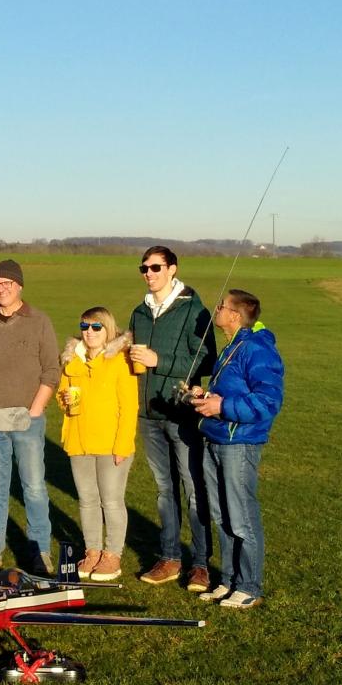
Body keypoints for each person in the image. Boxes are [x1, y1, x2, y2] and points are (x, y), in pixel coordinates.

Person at [0, 259, 60, 573]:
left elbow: (52, 371)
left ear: (19, 287)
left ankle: (40, 549)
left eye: (7, 284)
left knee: (33, 486)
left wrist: (36, 409)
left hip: (26, 417)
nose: (1, 289)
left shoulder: (39, 321)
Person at [128, 246, 216, 591]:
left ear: (172, 269)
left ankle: (200, 564)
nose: (149, 274)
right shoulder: (139, 312)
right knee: (165, 491)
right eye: (144, 268)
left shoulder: (194, 310)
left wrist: (158, 360)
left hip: (181, 415)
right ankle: (169, 557)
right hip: (148, 414)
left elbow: (208, 361)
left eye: (155, 267)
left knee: (194, 489)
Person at [192, 290, 284, 609]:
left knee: (242, 516)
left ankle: (248, 586)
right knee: (221, 516)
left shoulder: (258, 349)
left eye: (221, 306)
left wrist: (223, 406)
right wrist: (206, 397)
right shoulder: (232, 346)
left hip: (239, 443)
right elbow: (230, 391)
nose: (215, 310)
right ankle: (228, 580)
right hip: (215, 438)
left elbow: (269, 401)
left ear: (234, 315)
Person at [56, 308, 138, 581]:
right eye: (84, 326)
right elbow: (62, 394)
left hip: (111, 443)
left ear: (108, 330)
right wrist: (64, 399)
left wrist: (123, 446)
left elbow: (129, 407)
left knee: (111, 501)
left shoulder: (119, 361)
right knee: (87, 500)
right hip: (79, 441)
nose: (89, 332)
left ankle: (112, 555)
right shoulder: (72, 361)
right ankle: (92, 551)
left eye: (96, 327)